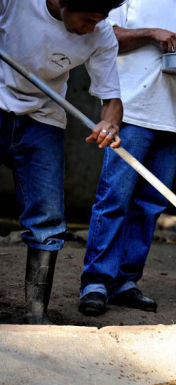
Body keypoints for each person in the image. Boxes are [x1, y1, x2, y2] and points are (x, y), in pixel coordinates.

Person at [78, 0, 176, 316]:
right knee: (114, 199)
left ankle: (126, 282)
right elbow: (102, 34)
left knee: (149, 207)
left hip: (174, 118)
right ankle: (96, 283)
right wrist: (152, 33)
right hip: (131, 111)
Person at [0, 0, 124, 324]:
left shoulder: (101, 34)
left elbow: (112, 99)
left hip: (43, 120)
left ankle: (36, 316)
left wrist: (110, 124)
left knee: (48, 217)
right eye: (86, 18)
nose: (91, 28)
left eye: (99, 20)